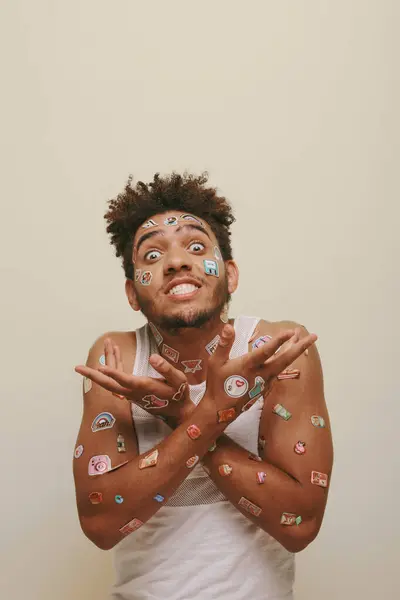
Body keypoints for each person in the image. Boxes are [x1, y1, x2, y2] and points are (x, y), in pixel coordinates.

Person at [73, 172, 333, 600]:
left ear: (230, 275)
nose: (176, 262)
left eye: (196, 247)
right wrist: (214, 414)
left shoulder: (276, 348)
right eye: (152, 255)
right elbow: (101, 525)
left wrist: (181, 415)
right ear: (132, 294)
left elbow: (299, 525)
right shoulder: (117, 357)